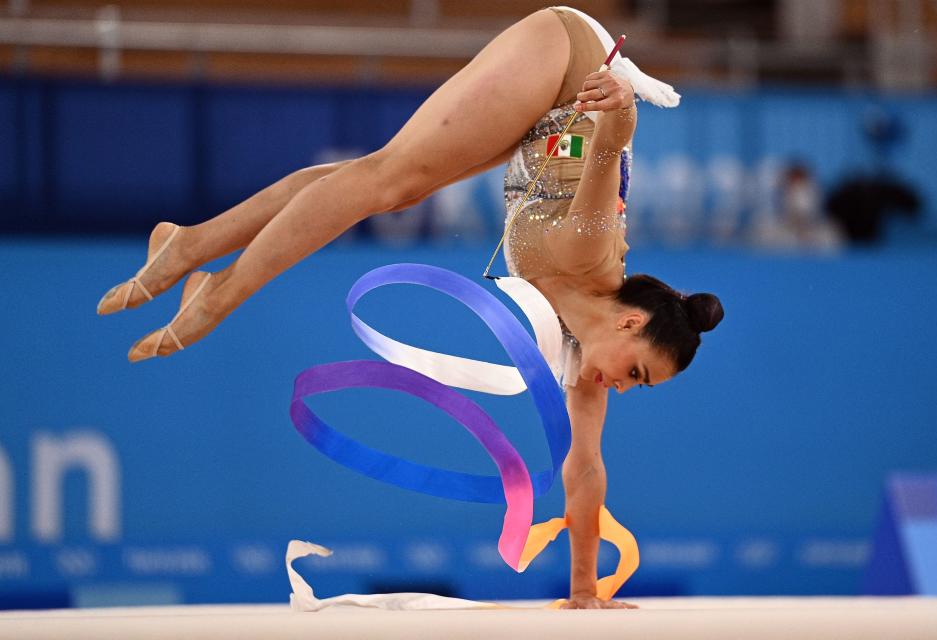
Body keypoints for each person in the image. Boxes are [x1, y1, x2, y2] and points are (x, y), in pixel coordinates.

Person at [96, 6, 723, 609]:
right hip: (569, 62)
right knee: (389, 180)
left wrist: (584, 591)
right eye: (637, 371)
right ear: (630, 320)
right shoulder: (587, 254)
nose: (625, 387)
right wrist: (617, 110)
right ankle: (219, 295)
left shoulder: (580, 353)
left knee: (381, 178)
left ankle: (193, 244)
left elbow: (585, 470)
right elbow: (609, 147)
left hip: (547, 135)